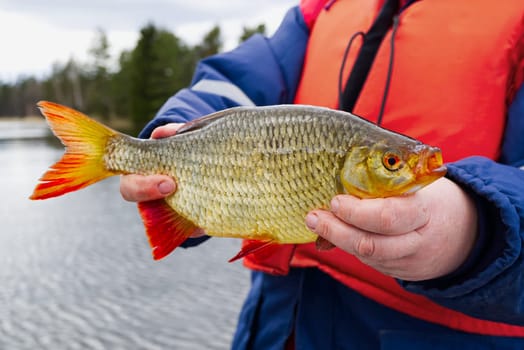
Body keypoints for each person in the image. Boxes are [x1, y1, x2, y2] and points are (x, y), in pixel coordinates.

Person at [120, 0, 524, 348]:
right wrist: (180, 132)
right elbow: (231, 83)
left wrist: (477, 231)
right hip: (278, 322)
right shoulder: (320, 11)